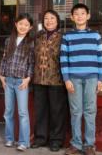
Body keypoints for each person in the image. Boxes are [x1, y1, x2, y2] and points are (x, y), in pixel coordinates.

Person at [60, 3, 102, 155]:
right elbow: (63, 59)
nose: (79, 16)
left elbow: (101, 58)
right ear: (72, 17)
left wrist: (100, 79)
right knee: (76, 112)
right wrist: (66, 79)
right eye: (76, 14)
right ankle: (76, 144)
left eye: (82, 13)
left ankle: (90, 145)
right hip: (73, 79)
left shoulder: (96, 36)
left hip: (92, 78)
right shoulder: (67, 36)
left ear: (88, 16)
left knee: (90, 111)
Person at [31, 10, 67, 152]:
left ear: (57, 21)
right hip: (39, 79)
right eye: (46, 18)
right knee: (40, 111)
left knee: (56, 112)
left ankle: (56, 140)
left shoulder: (63, 37)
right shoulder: (38, 37)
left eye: (52, 18)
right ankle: (40, 138)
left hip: (57, 80)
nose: (49, 21)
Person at [0, 13, 34, 152]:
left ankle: (24, 142)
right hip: (8, 80)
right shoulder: (9, 41)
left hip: (21, 81)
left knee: (22, 112)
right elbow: (4, 59)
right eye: (21, 24)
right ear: (16, 24)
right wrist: (1, 75)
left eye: (26, 25)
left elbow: (32, 63)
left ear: (30, 27)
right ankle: (9, 138)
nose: (23, 27)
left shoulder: (31, 42)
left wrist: (28, 78)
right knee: (8, 111)